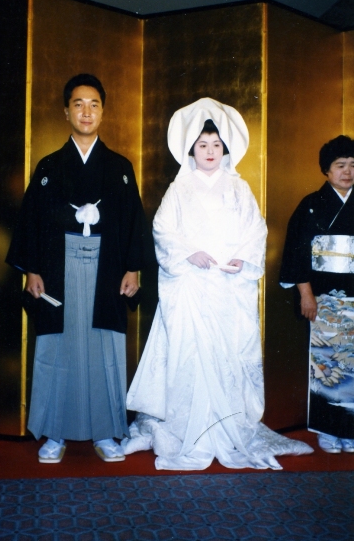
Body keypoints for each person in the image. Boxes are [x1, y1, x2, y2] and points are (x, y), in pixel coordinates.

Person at [122, 98, 312, 470]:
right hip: (190, 287)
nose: (209, 151)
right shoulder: (179, 188)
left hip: (227, 287)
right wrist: (189, 253)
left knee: (227, 359)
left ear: (225, 149)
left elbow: (256, 230)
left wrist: (243, 258)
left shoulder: (239, 188)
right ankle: (184, 429)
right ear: (191, 149)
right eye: (202, 145)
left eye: (215, 145)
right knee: (189, 358)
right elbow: (162, 230)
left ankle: (228, 429)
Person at [6, 74, 150, 463]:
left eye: (94, 104)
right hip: (58, 268)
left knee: (104, 347)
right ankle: (54, 433)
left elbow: (134, 223)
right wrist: (32, 270)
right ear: (66, 112)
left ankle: (105, 432)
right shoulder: (49, 166)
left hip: (107, 269)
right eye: (78, 104)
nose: (86, 112)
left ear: (103, 112)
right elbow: (31, 222)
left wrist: (133, 268)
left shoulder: (120, 167)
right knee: (58, 348)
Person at [280, 135, 354, 454]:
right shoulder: (310, 205)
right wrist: (306, 294)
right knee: (327, 364)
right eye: (340, 165)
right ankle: (327, 429)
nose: (348, 171)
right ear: (326, 170)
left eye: (353, 165)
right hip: (326, 298)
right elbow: (296, 253)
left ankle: (350, 431)